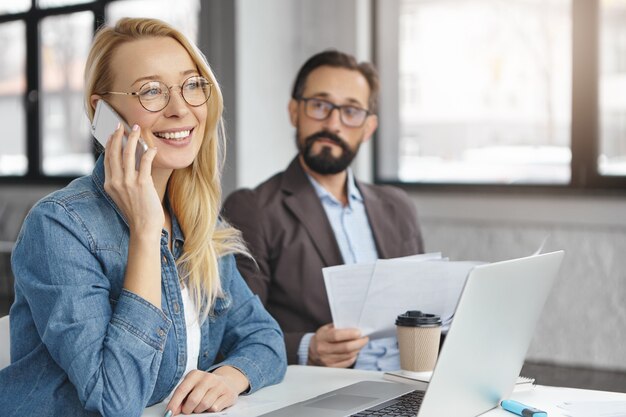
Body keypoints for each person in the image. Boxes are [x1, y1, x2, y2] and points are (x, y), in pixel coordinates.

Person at [0, 18, 286, 417]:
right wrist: (146, 233)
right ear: (103, 113)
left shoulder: (196, 217)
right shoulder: (60, 226)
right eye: (151, 91)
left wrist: (227, 377)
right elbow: (116, 401)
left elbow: (265, 338)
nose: (180, 108)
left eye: (191, 85)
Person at [222, 50, 423, 371]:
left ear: (368, 127)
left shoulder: (398, 207)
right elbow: (235, 329)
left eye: (351, 111)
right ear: (294, 111)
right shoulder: (253, 208)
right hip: (329, 386)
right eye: (320, 106)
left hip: (413, 378)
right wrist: (307, 348)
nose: (333, 123)